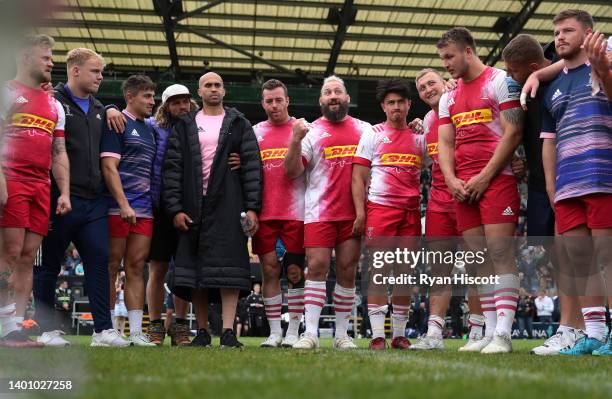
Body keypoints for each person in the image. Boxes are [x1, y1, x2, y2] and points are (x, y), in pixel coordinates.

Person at [32, 47, 129, 348]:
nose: (101, 76)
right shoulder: (52, 102)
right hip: (59, 199)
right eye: (95, 71)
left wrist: (111, 106)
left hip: (95, 202)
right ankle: (46, 330)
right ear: (75, 71)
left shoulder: (101, 110)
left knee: (100, 263)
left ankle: (103, 331)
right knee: (49, 265)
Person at [437, 27, 525, 353]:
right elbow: (445, 143)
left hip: (496, 180)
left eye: (449, 56)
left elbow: (514, 131)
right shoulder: (449, 96)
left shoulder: (500, 81)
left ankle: (503, 333)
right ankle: (488, 331)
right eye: (442, 58)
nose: (445, 64)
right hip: (463, 186)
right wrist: (450, 179)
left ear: (468, 52)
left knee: (500, 252)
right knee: (478, 258)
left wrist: (487, 175)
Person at [163, 72, 262, 348]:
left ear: (224, 91)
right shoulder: (185, 125)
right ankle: (203, 330)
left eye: (218, 85)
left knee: (229, 268)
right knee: (197, 272)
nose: (214, 89)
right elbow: (172, 170)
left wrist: (252, 208)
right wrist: (175, 209)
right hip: (193, 206)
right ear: (200, 91)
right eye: (208, 85)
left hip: (229, 205)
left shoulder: (239, 123)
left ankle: (229, 332)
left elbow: (253, 167)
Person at [502, 33, 584, 356]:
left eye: (515, 71)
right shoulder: (523, 88)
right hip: (538, 182)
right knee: (555, 253)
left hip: (572, 178)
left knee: (579, 252)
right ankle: (573, 327)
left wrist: (538, 75)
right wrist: (519, 157)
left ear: (534, 66)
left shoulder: (564, 76)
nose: (510, 77)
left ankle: (579, 327)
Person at [537, 10, 612, 356]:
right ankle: (594, 333)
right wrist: (552, 187)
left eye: (568, 30)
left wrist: (604, 70)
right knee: (581, 261)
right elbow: (548, 141)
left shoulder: (604, 67)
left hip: (602, 177)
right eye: (557, 31)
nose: (560, 37)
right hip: (568, 185)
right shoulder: (553, 86)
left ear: (588, 34)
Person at [285, 75, 373, 350]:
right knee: (317, 268)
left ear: (347, 98)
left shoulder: (365, 129)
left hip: (353, 213)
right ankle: (310, 333)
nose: (333, 96)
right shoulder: (310, 131)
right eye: (327, 92)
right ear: (321, 100)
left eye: (338, 91)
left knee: (348, 272)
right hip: (319, 213)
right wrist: (295, 141)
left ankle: (341, 335)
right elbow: (291, 171)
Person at [0, 34, 70, 348]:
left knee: (28, 257)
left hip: (41, 185)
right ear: (26, 57)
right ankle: (4, 326)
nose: (51, 62)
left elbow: (59, 151)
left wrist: (64, 192)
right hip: (11, 179)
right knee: (9, 253)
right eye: (46, 57)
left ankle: (15, 326)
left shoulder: (54, 103)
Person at [410, 68, 487, 352]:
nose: (428, 89)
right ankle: (434, 333)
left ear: (445, 83)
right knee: (439, 270)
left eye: (432, 83)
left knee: (476, 267)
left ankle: (477, 332)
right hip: (440, 202)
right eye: (422, 88)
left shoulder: (463, 102)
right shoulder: (428, 121)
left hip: (469, 196)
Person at [352, 78, 422, 350]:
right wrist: (361, 213)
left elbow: (436, 165)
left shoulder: (420, 136)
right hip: (380, 210)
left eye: (400, 102)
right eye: (390, 103)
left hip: (411, 212)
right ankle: (378, 336)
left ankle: (400, 335)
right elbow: (358, 177)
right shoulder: (373, 134)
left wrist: (423, 124)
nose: (396, 107)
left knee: (405, 274)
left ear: (408, 104)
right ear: (383, 106)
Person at [101, 74, 157, 347]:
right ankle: (107, 330)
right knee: (111, 266)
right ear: (130, 97)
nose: (152, 101)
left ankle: (135, 333)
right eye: (146, 96)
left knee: (136, 267)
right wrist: (123, 204)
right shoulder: (116, 123)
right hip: (117, 208)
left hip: (145, 209)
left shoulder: (149, 128)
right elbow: (109, 167)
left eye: (152, 95)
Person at [252, 79, 306, 348]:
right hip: (264, 214)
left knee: (295, 272)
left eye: (278, 100)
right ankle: (274, 333)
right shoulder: (254, 132)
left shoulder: (302, 128)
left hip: (296, 213)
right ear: (263, 103)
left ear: (287, 101)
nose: (274, 105)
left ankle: (294, 332)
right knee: (269, 271)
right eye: (268, 101)